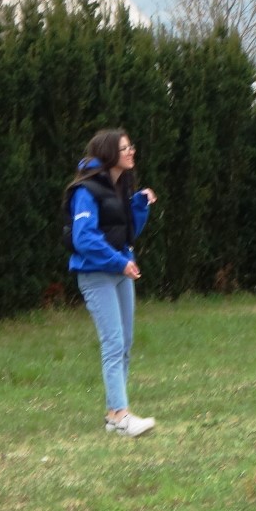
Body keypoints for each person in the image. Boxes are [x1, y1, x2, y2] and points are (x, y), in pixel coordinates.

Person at [63, 128, 158, 437]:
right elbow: (84, 238)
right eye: (124, 148)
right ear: (108, 154)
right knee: (114, 342)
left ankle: (114, 415)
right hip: (96, 275)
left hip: (120, 272)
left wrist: (139, 205)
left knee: (125, 343)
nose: (131, 151)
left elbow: (126, 232)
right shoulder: (85, 190)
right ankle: (122, 415)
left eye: (131, 146)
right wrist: (120, 262)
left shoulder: (120, 186)